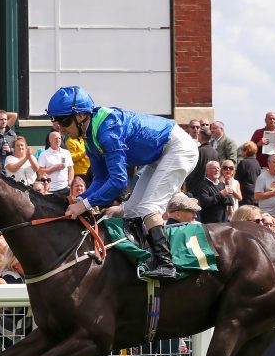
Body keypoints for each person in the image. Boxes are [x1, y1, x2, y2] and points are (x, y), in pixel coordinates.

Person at [50, 86, 197, 280]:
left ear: (81, 116)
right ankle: (144, 257)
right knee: (132, 211)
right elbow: (101, 179)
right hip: (158, 155)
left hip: (177, 148)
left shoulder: (107, 130)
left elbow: (119, 181)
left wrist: (84, 205)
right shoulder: (90, 137)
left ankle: (165, 263)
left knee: (148, 208)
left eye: (65, 121)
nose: (61, 128)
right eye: (56, 122)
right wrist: (79, 199)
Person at [36, 130, 73, 196]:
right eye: (56, 138)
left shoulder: (66, 153)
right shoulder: (44, 154)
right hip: (50, 189)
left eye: (59, 138)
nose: (58, 140)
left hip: (65, 188)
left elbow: (71, 169)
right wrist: (54, 168)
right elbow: (40, 171)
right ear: (50, 140)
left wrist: (69, 183)